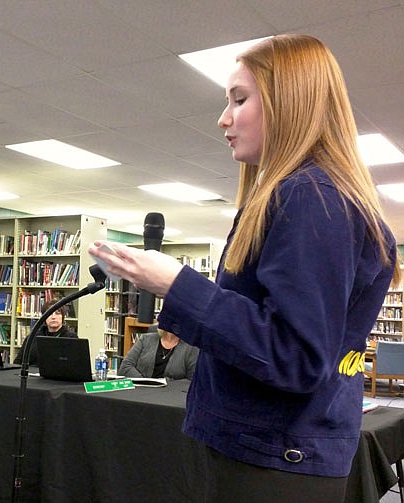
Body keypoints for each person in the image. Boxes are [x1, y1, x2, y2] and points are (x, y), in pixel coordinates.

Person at [89, 34, 401, 503]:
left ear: (288, 102)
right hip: (275, 449)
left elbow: (298, 357)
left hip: (274, 458)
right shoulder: (310, 196)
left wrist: (176, 284)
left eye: (239, 98)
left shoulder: (309, 197)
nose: (223, 118)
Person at [119, 326, 198, 380]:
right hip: (140, 392)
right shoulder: (145, 339)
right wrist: (144, 382)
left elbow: (192, 380)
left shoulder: (191, 348)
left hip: (170, 397)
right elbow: (125, 366)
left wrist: (167, 384)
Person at [14, 300, 77, 366]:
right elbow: (18, 361)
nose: (53, 317)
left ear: (63, 316)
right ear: (44, 317)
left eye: (57, 313)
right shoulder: (33, 337)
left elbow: (77, 365)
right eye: (49, 314)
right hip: (32, 374)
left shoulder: (71, 338)